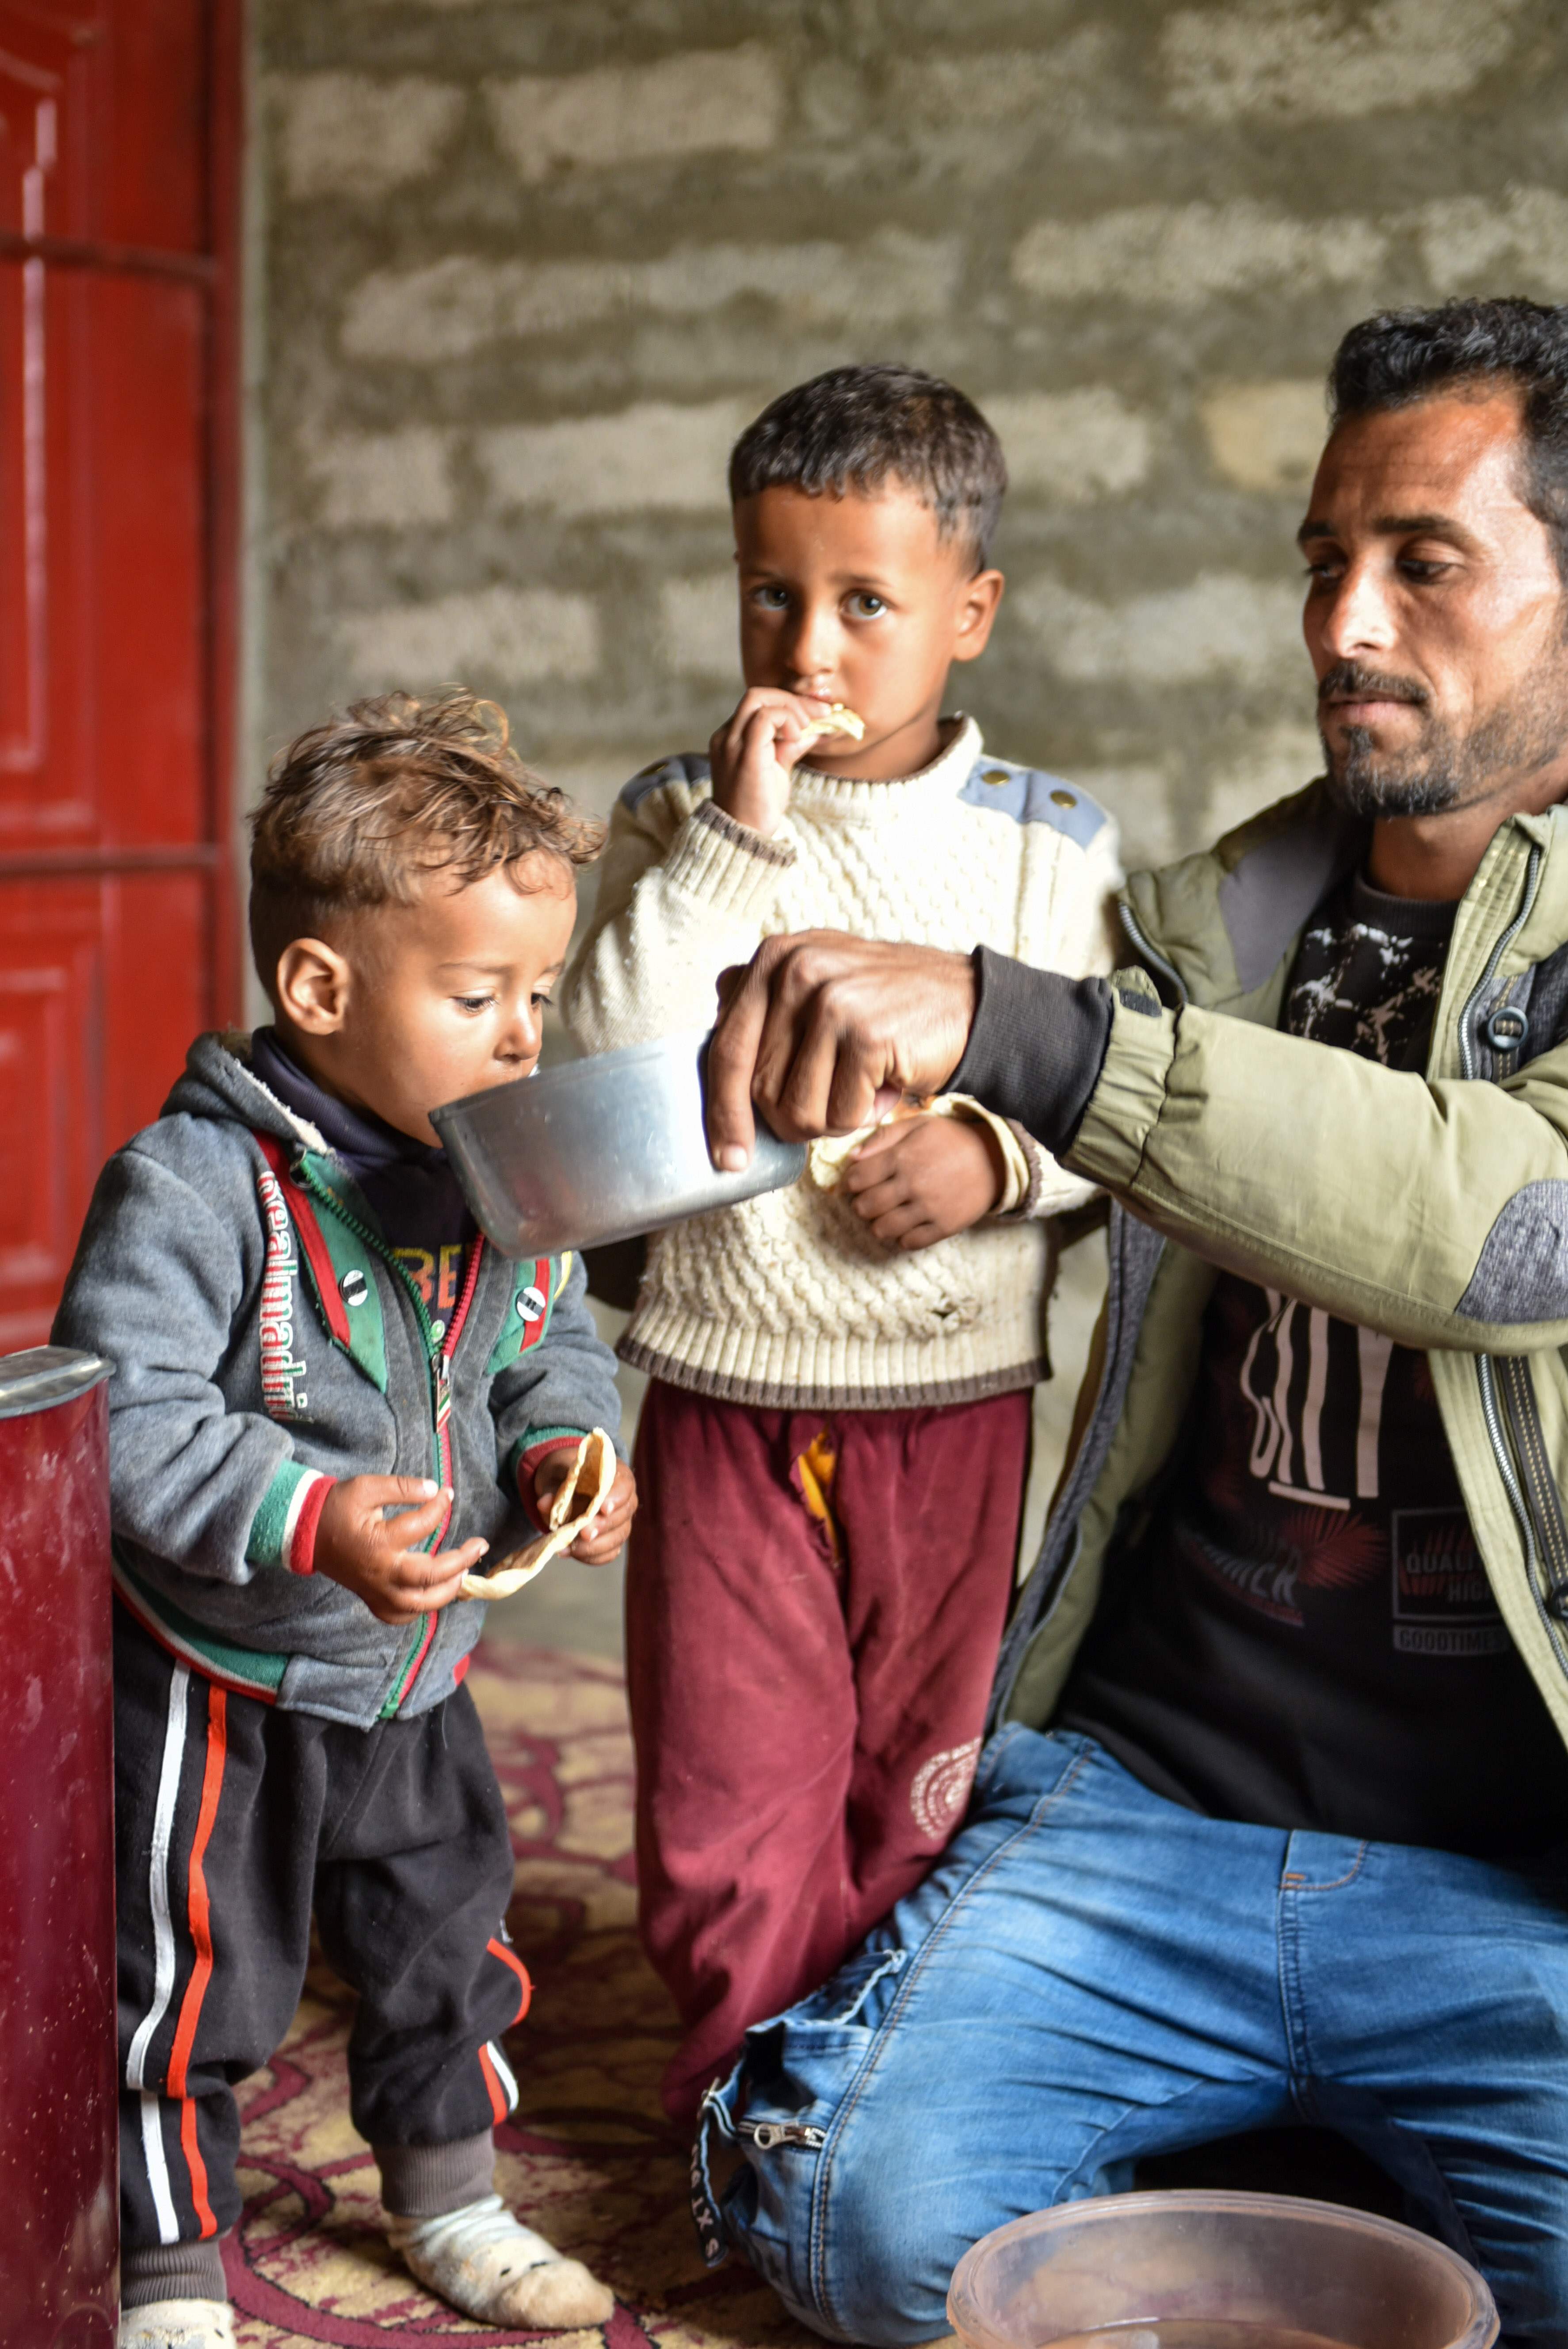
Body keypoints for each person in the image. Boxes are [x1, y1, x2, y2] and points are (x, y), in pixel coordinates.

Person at [695, 298, 1568, 2349]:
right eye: (1318, 560)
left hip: (1509, 1867)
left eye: (1420, 563)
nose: (1341, 623)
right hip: (1153, 1801)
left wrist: (1015, 1030)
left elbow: (1508, 1227)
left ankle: (1302, 2152)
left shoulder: (1103, 988)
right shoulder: (1204, 919)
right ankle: (1305, 2150)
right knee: (851, 2220)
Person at [561, 363, 1122, 2123]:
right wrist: (736, 848)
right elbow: (596, 1074)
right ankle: (748, 2109)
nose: (806, 648)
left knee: (916, 1781)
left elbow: (1122, 1109)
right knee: (730, 1782)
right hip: (726, 1392)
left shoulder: (1047, 849)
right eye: (769, 594)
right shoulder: (681, 818)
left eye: (864, 604)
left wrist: (994, 1165)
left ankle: (874, 2096)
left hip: (953, 1408)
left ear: (967, 614)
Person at [54, 693, 638, 2349]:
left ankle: (451, 2197)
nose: (526, 1035)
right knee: (192, 1980)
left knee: (446, 1945)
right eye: (477, 997)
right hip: (223, 1671)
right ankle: (169, 2263)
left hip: (418, 1668)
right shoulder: (191, 1182)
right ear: (319, 991)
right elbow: (128, 1415)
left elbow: (552, 1343)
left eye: (539, 992)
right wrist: (305, 1517)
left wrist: (566, 1455)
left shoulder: (505, 1162)